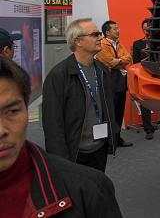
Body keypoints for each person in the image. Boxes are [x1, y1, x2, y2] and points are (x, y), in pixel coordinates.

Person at [0, 57, 123, 217]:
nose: (1, 130)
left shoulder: (89, 189)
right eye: (93, 35)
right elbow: (53, 120)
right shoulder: (59, 74)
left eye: (12, 111)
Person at [42, 18, 119, 172]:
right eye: (95, 34)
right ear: (78, 41)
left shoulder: (102, 70)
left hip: (99, 147)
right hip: (73, 153)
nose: (100, 38)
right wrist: (60, 160)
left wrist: (112, 135)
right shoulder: (59, 76)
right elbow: (52, 123)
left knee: (96, 190)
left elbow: (108, 107)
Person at [96, 20, 133, 147]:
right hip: (109, 82)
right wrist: (119, 62)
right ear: (107, 32)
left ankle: (117, 139)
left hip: (120, 82)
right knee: (109, 112)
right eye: (115, 29)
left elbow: (128, 58)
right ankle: (108, 141)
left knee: (119, 111)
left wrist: (118, 61)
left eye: (118, 28)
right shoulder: (102, 44)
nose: (118, 30)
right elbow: (109, 62)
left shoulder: (119, 44)